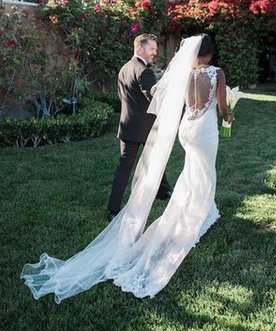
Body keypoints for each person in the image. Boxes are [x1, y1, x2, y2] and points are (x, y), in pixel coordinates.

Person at [21, 34, 234, 302]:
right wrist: (229, 116)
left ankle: (184, 204)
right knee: (203, 171)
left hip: (181, 129)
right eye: (152, 48)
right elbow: (218, 104)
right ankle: (201, 210)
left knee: (183, 170)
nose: (155, 52)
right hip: (200, 129)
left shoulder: (178, 73)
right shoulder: (214, 73)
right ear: (211, 54)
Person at [108, 33, 172, 221]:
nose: (154, 52)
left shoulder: (125, 68)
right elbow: (154, 99)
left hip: (127, 126)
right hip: (145, 127)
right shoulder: (144, 71)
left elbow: (125, 98)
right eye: (151, 48)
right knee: (150, 160)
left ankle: (162, 191)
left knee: (126, 167)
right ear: (139, 48)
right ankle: (114, 210)